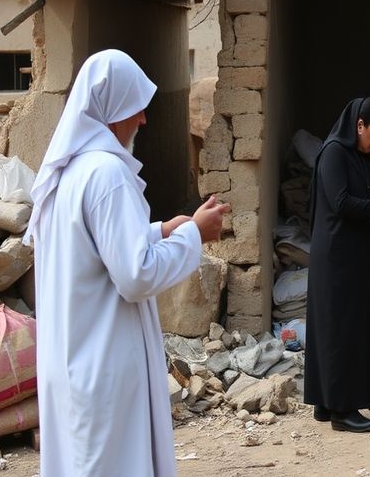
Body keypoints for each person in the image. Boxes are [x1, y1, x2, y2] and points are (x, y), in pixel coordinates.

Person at [28, 49, 230, 475]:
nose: (142, 121)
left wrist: (160, 231)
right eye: (136, 109)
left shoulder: (68, 174)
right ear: (112, 108)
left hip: (71, 363)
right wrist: (195, 232)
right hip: (103, 365)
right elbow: (136, 275)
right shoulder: (106, 174)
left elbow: (90, 248)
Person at [305, 97, 370, 433]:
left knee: (341, 329)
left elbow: (362, 202)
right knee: (341, 333)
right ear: (358, 125)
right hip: (337, 260)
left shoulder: (361, 156)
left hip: (352, 257)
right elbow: (340, 202)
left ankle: (327, 402)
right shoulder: (335, 152)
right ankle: (342, 410)